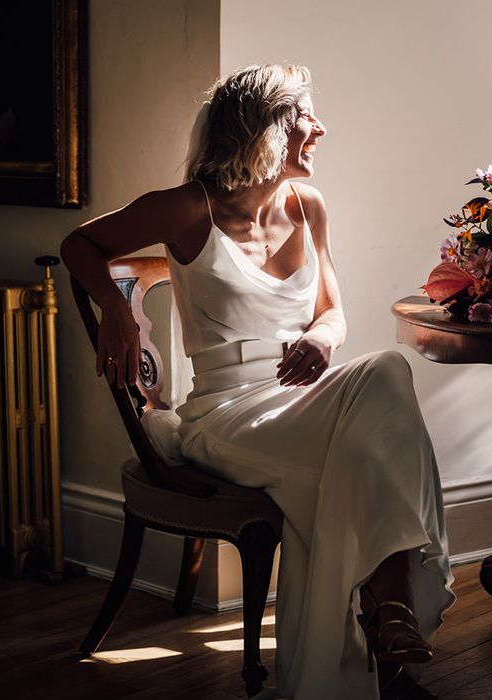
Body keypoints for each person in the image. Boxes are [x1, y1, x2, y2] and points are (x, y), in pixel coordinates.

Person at [61, 64, 455, 700]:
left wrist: (321, 340)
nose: (320, 129)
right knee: (364, 438)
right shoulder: (188, 208)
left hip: (300, 400)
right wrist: (113, 305)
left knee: (384, 372)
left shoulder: (309, 206)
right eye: (306, 117)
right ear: (265, 131)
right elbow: (80, 244)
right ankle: (390, 628)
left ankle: (378, 637)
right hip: (223, 415)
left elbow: (334, 311)